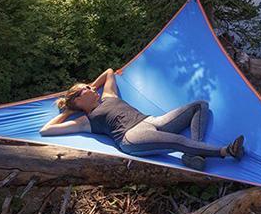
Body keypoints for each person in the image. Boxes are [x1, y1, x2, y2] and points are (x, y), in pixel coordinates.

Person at [40, 68, 244, 171]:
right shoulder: (85, 121)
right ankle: (226, 151)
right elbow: (46, 130)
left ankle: (195, 154)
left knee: (199, 105)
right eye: (85, 89)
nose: (91, 88)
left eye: (89, 86)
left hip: (152, 121)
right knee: (178, 142)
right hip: (132, 136)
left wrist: (90, 86)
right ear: (78, 99)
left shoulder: (109, 96)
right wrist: (69, 110)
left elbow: (109, 71)